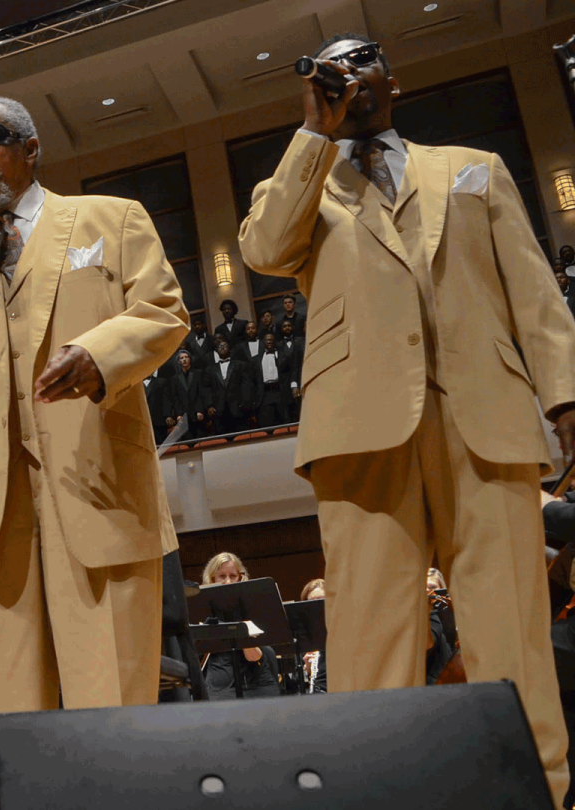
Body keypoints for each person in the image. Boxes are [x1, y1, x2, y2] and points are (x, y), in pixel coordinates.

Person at [238, 32, 575, 800]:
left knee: (512, 631)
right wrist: (311, 135)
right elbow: (263, 249)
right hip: (360, 430)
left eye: (361, 62)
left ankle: (539, 793)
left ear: (395, 82)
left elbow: (533, 293)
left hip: (483, 419)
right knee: (370, 634)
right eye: (332, 68)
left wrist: (566, 396)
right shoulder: (300, 181)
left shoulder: (473, 169)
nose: (346, 76)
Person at [0, 94, 187, 808]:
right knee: (9, 711)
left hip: (95, 481)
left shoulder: (108, 218)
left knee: (110, 701)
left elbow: (162, 312)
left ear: (32, 150)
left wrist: (99, 354)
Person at [200, 553, 281, 699]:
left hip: (256, 678)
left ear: (240, 577)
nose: (228, 582)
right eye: (222, 576)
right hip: (220, 680)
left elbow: (253, 656)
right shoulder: (204, 609)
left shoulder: (251, 605)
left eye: (233, 576)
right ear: (212, 579)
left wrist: (242, 628)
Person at [204, 339, 252, 435]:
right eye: (220, 346)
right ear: (216, 351)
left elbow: (246, 385)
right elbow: (206, 388)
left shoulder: (240, 365)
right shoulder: (210, 369)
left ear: (230, 349)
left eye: (225, 346)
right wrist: (209, 405)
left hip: (238, 408)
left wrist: (244, 402)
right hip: (219, 409)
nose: (222, 348)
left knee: (241, 437)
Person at [253, 332, 291, 428]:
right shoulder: (257, 359)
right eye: (267, 340)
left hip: (280, 391)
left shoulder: (284, 356)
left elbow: (290, 372)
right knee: (267, 423)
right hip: (265, 393)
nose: (269, 342)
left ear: (275, 342)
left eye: (271, 340)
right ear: (263, 342)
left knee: (285, 422)